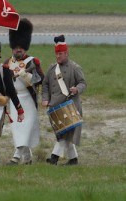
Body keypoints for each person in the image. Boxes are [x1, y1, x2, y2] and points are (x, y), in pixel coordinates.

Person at [3, 18, 44, 165]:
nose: (18, 49)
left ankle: (16, 157)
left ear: (25, 47)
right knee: (18, 129)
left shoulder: (33, 61)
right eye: (16, 47)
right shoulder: (7, 63)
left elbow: (41, 80)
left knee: (25, 127)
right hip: (14, 100)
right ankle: (27, 158)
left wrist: (25, 74)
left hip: (28, 98)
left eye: (21, 47)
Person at [42, 35, 87, 165]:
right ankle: (73, 160)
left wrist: (77, 89)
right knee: (64, 134)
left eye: (60, 54)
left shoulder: (75, 67)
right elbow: (45, 85)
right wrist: (45, 99)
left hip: (70, 105)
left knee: (64, 134)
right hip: (55, 107)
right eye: (56, 54)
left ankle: (54, 158)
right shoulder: (51, 69)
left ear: (66, 53)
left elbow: (83, 83)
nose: (58, 56)